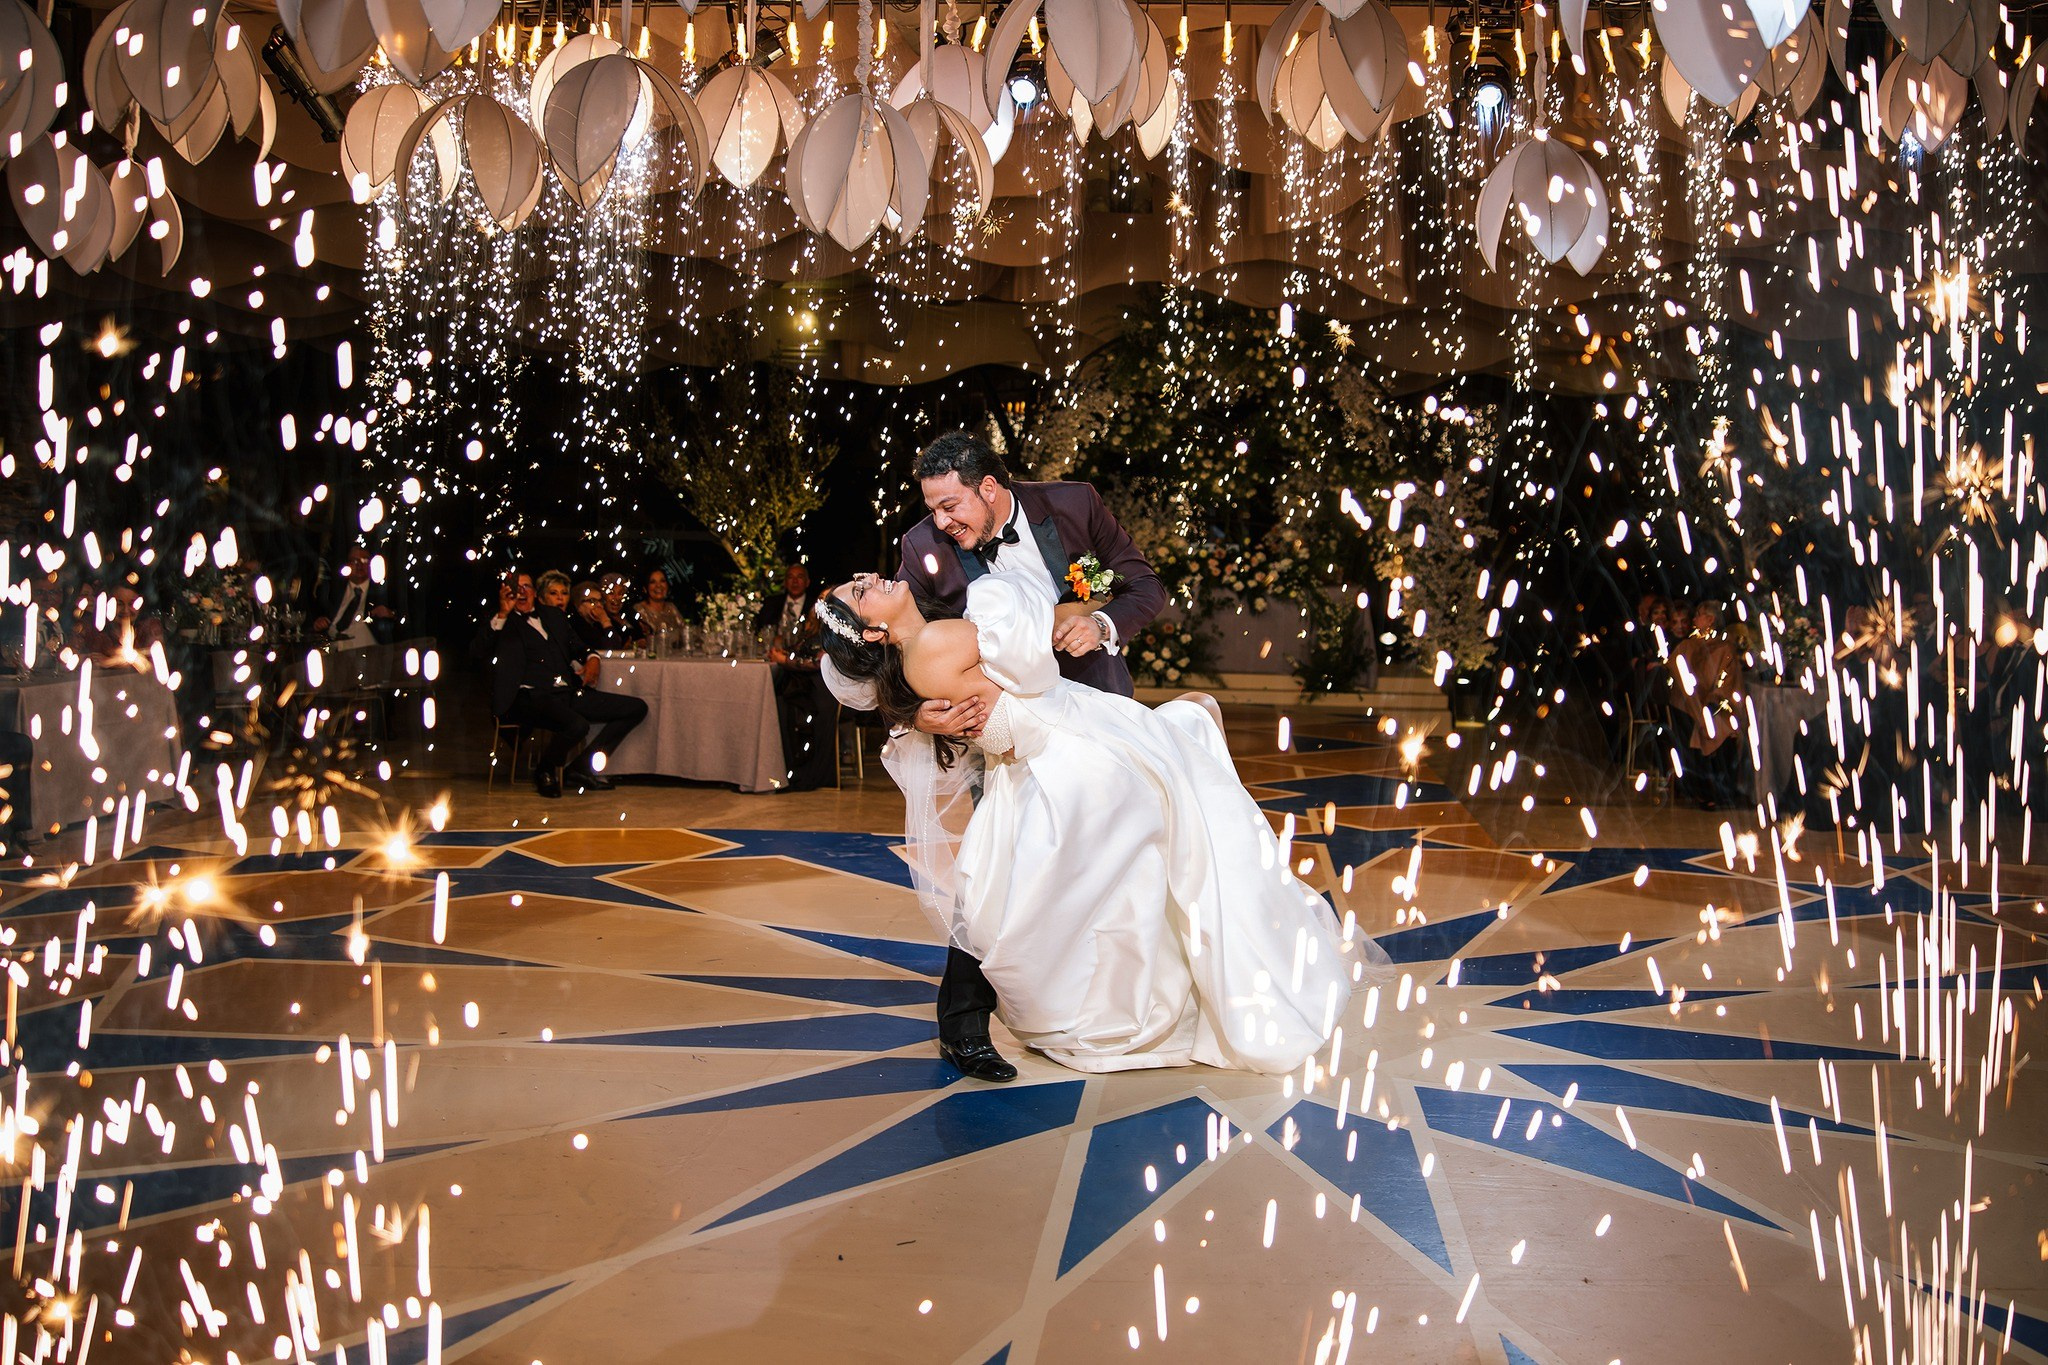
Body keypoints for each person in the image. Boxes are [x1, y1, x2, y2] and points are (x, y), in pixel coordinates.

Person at [818, 570, 1377, 1075]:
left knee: (1118, 889)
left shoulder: (933, 640)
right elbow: (1030, 654)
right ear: (871, 634)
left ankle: (1134, 1005)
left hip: (1050, 747)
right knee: (1159, 852)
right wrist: (1008, 588)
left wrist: (1088, 612)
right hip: (1068, 752)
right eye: (861, 591)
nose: (869, 578)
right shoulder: (937, 641)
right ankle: (1169, 999)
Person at [826, 429, 1168, 1081]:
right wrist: (916, 710)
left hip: (1094, 712)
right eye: (930, 506)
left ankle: (1116, 1001)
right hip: (1001, 728)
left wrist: (1098, 622)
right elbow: (886, 652)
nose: (938, 520)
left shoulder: (1073, 506)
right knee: (995, 862)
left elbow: (1142, 588)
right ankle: (962, 1021)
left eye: (950, 505)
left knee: (1127, 853)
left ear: (991, 487)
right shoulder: (921, 548)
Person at [488, 570, 648, 798]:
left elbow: (579, 647)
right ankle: (545, 770)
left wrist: (593, 659)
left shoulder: (554, 616)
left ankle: (580, 767)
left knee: (636, 708)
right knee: (577, 725)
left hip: (565, 692)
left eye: (527, 587)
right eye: (516, 587)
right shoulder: (503, 621)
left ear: (535, 593)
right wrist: (503, 613)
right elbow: (479, 652)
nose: (522, 592)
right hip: (527, 696)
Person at [757, 565, 835, 791]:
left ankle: (800, 771)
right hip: (806, 685)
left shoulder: (831, 631)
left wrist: (784, 661)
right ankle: (783, 768)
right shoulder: (812, 627)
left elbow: (820, 661)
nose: (818, 605)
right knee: (778, 701)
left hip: (821, 688)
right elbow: (798, 649)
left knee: (784, 704)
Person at [311, 545, 395, 650]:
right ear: (347, 565)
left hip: (368, 652)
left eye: (364, 560)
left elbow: (399, 622)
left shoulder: (382, 592)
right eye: (354, 561)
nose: (359, 565)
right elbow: (315, 615)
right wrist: (318, 623)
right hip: (332, 650)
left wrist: (391, 614)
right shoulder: (333, 590)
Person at [636, 568, 686, 641]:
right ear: (645, 588)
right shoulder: (639, 610)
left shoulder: (671, 607)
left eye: (662, 581)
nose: (658, 585)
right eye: (653, 582)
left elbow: (685, 631)